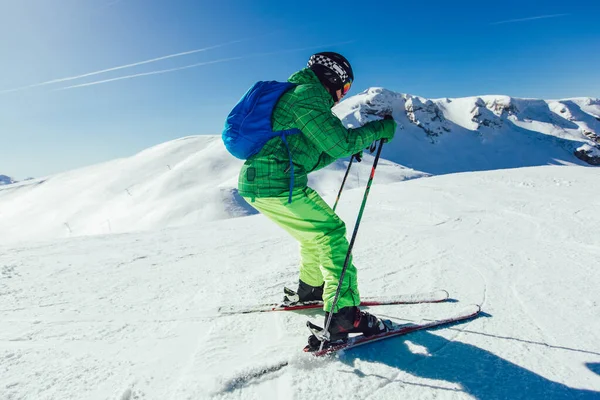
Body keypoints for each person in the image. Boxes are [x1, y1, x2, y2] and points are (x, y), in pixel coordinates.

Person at [237, 52, 397, 342]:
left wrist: (350, 147)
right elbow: (340, 141)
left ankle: (310, 289)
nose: (343, 94)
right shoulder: (307, 96)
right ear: (333, 77)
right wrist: (378, 129)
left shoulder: (299, 97)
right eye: (345, 87)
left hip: (260, 184)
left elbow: (309, 154)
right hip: (276, 182)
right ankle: (345, 315)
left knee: (314, 235)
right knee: (331, 232)